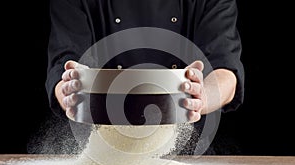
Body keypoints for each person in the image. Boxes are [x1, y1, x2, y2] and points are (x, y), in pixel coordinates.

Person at [45, 0, 244, 154]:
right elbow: (64, 62)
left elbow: (225, 68)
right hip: (101, 153)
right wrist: (70, 92)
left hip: (188, 156)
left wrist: (202, 97)